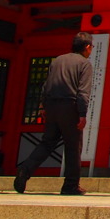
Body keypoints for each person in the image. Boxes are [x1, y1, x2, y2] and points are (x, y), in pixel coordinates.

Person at [13, 32, 93, 195]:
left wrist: (43, 106)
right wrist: (82, 113)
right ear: (87, 47)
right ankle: (70, 185)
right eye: (91, 47)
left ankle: (25, 169)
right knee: (73, 146)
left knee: (47, 142)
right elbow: (83, 92)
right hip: (69, 106)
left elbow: (46, 85)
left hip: (51, 105)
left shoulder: (57, 60)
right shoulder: (84, 64)